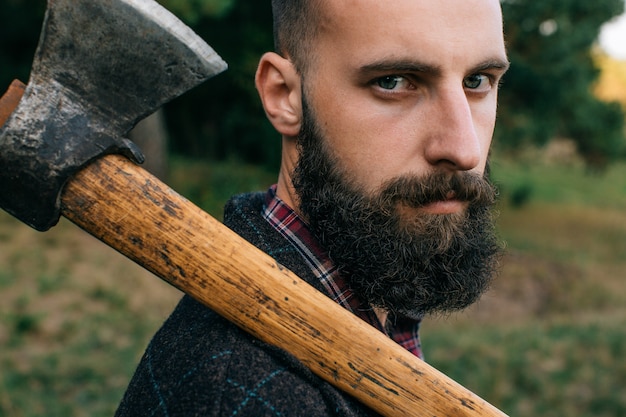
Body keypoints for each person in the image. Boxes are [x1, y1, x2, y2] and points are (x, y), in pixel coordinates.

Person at [115, 0, 509, 415]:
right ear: (283, 94)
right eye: (393, 82)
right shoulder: (246, 399)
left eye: (479, 80)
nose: (464, 150)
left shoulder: (373, 297)